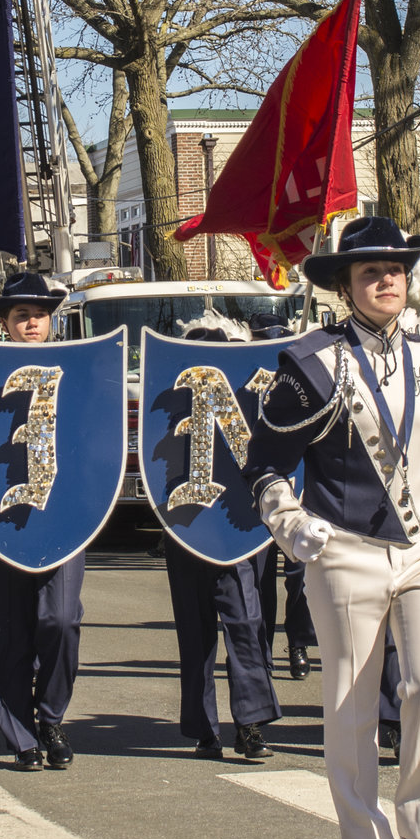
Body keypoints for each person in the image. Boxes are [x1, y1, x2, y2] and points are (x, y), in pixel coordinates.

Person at [253, 216, 420, 839]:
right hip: (344, 548)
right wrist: (290, 522)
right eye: (371, 272)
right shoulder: (312, 362)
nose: (386, 281)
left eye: (396, 270)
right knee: (352, 702)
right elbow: (263, 466)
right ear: (346, 286)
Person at [0, 273, 84, 770]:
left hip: (63, 511)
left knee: (60, 619)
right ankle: (21, 736)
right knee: (8, 631)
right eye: (21, 314)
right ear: (5, 322)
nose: (32, 322)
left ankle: (51, 716)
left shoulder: (80, 366)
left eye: (39, 313)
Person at [163, 312, 280, 763]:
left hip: (234, 523)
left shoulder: (251, 393)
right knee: (194, 633)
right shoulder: (170, 392)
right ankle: (202, 727)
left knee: (246, 622)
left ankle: (249, 724)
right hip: (188, 523)